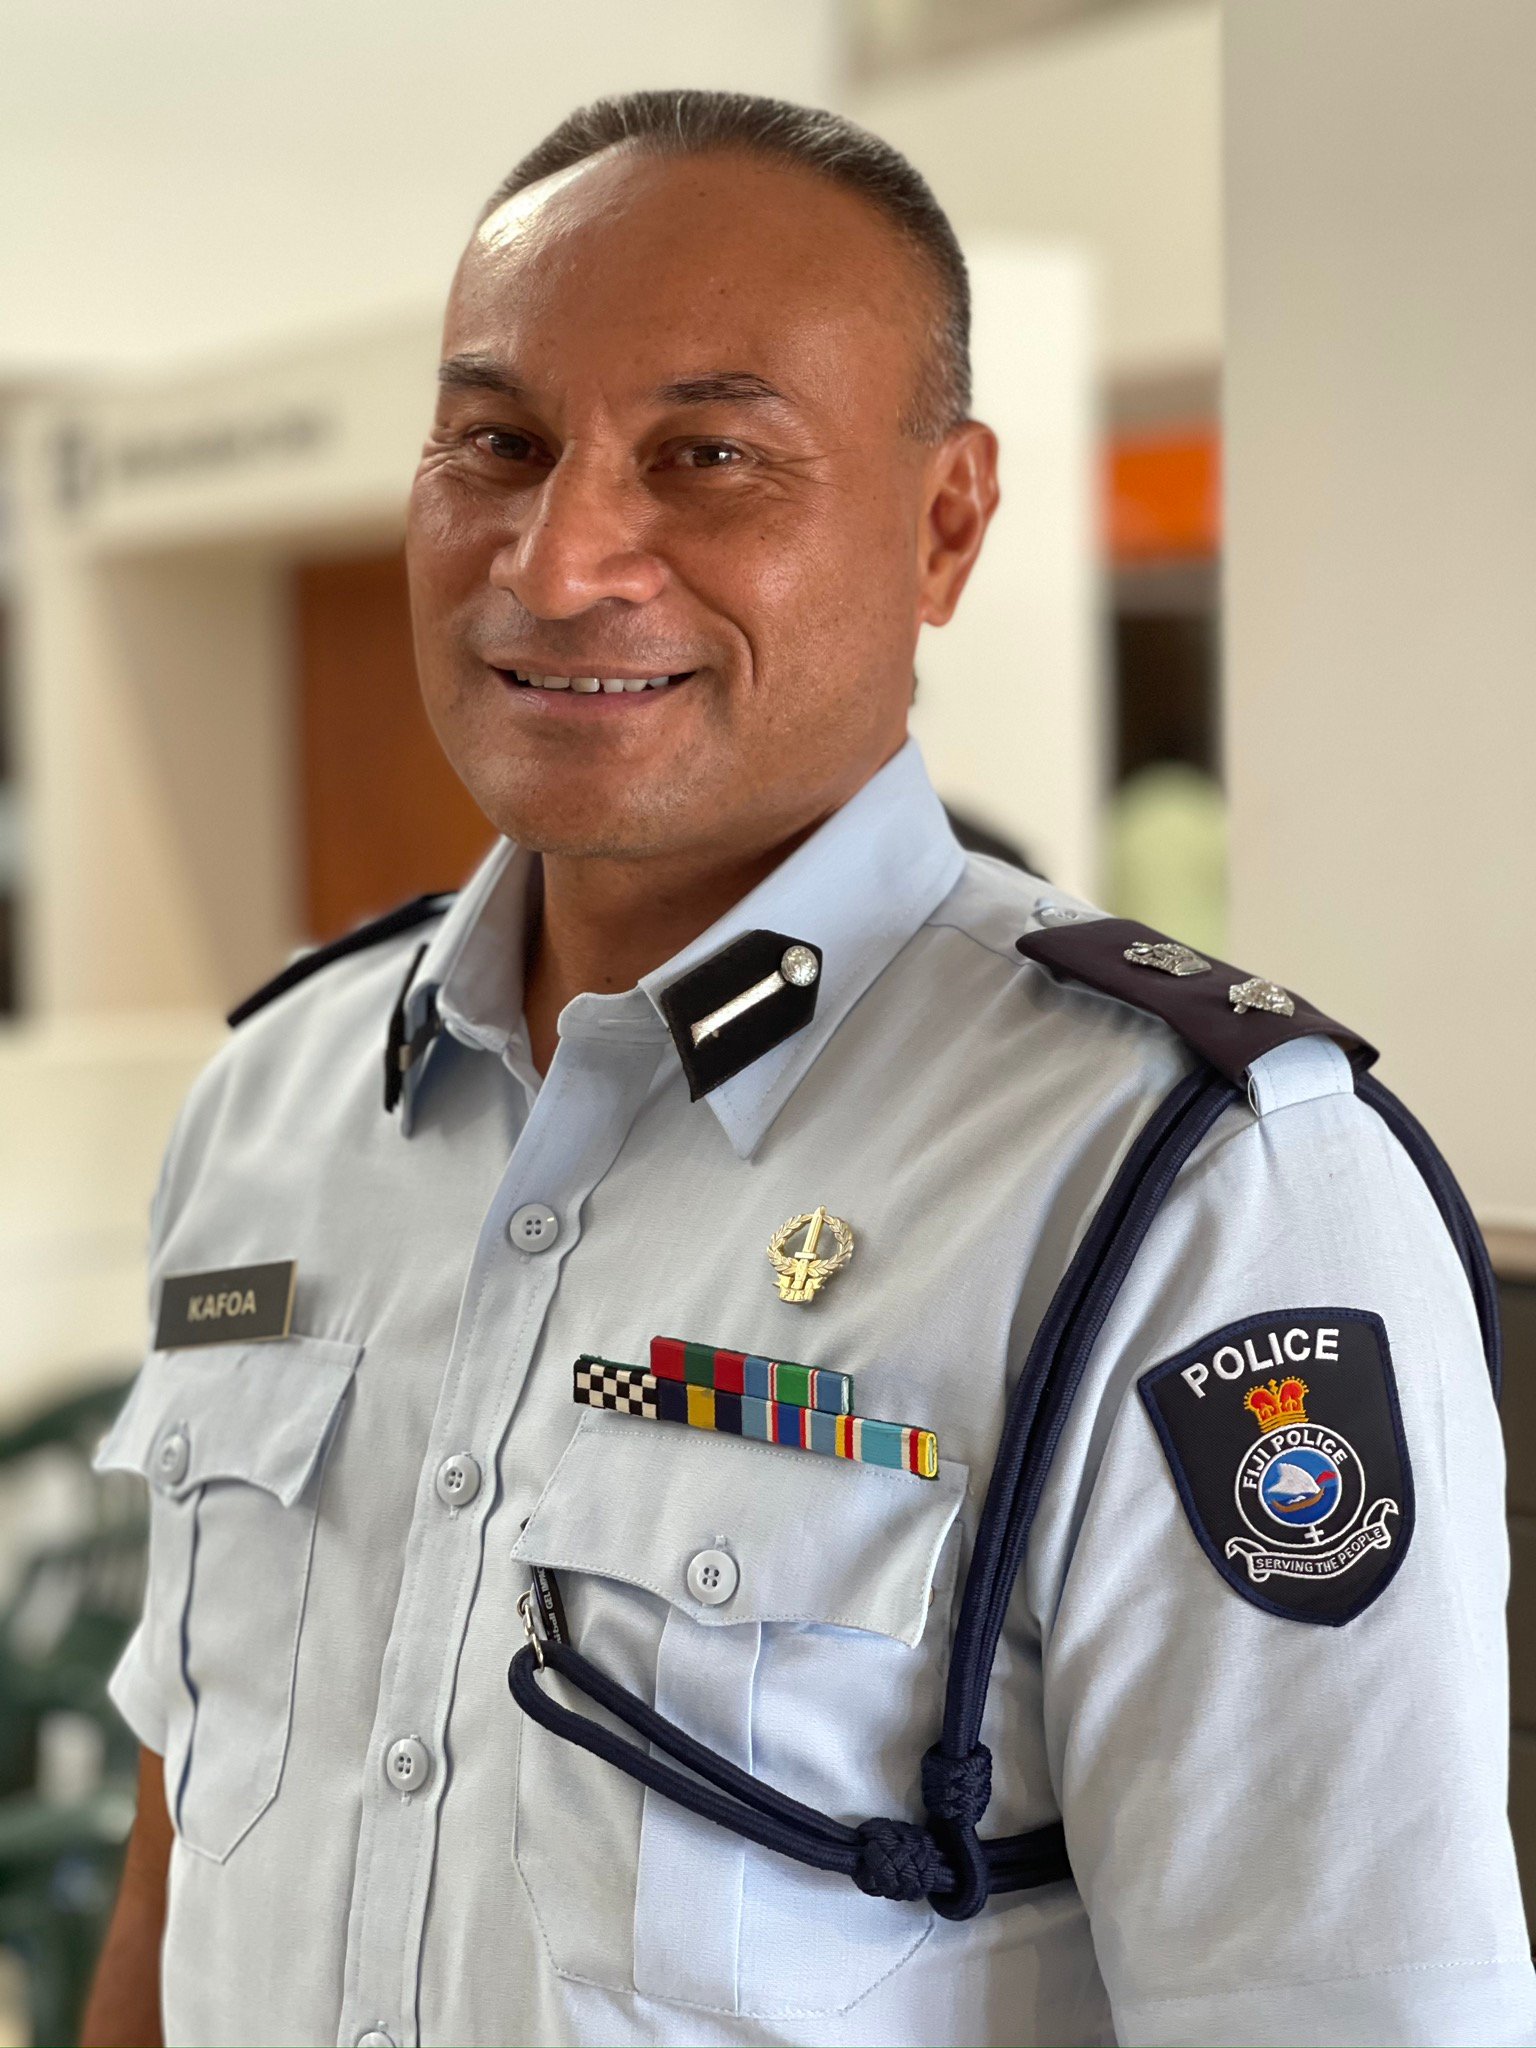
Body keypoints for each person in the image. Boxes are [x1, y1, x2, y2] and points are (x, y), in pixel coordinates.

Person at [82, 90, 1533, 2048]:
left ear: (945, 525)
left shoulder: (1193, 1191)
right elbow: (189, 1851)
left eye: (710, 457)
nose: (559, 560)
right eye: (497, 443)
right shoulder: (277, 1101)